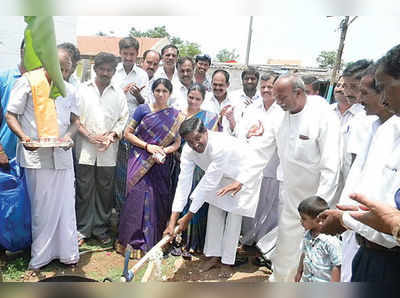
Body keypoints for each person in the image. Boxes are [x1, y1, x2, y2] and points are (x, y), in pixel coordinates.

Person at [224, 73, 340, 281]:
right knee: (286, 252)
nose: (277, 102)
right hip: (291, 201)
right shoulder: (279, 114)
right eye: (276, 97)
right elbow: (262, 152)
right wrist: (241, 180)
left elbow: (331, 167)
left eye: (282, 97)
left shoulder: (323, 115)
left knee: (313, 260)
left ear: (299, 93)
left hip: (317, 203)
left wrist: (320, 211)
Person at [319, 45, 400, 282]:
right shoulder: (388, 130)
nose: (383, 99)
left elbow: (389, 220)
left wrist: (347, 219)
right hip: (367, 253)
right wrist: (344, 218)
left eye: (384, 88)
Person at [5, 48, 81, 270]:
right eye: (60, 69)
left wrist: (68, 138)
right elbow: (11, 114)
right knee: (42, 208)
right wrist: (24, 137)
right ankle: (40, 256)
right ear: (47, 64)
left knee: (66, 205)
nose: (63, 74)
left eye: (66, 70)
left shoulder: (70, 89)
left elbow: (76, 121)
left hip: (63, 156)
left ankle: (67, 254)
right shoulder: (29, 82)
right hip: (37, 157)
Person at [165, 117, 264, 271]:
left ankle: (227, 261)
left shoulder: (219, 145)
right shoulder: (188, 151)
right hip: (218, 176)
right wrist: (172, 221)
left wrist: (188, 217)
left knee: (233, 217)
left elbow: (208, 183)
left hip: (241, 175)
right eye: (190, 142)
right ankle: (213, 256)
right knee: (214, 213)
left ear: (206, 132)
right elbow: (183, 184)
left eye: (198, 138)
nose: (195, 145)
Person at [117, 78, 185, 258]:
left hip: (160, 163)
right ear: (152, 92)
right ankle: (130, 243)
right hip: (140, 158)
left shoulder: (175, 115)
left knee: (157, 200)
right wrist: (148, 147)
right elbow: (127, 134)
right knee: (136, 199)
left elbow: (177, 142)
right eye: (158, 91)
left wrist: (164, 150)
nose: (161, 94)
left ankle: (153, 243)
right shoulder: (142, 110)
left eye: (165, 91)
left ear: (169, 94)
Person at [74, 52, 129, 246]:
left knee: (105, 191)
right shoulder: (82, 90)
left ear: (114, 71)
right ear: (95, 69)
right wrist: (90, 136)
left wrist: (112, 136)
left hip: (108, 151)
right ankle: (82, 229)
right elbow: (74, 119)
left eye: (109, 70)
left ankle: (101, 229)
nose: (105, 73)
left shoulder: (118, 93)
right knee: (84, 190)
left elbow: (124, 120)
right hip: (85, 150)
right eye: (102, 69)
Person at [165, 83, 218, 257]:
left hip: (201, 168)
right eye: (191, 97)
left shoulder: (208, 118)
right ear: (186, 96)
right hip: (181, 163)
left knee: (198, 202)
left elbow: (207, 143)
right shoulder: (179, 115)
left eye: (198, 98)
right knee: (181, 198)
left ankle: (195, 243)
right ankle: (179, 240)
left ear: (203, 100)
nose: (193, 101)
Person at [237, 74, 283, 260]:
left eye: (269, 87)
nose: (265, 90)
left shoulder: (281, 111)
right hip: (251, 166)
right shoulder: (252, 109)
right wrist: (248, 135)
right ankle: (248, 240)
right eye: (263, 87)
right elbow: (241, 132)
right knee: (251, 207)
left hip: (273, 167)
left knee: (270, 208)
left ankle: (264, 247)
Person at [112, 37, 149, 217]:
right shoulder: (113, 72)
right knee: (115, 175)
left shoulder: (142, 75)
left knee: (130, 173)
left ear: (137, 55)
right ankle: (117, 212)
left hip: (134, 132)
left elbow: (146, 104)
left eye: (132, 54)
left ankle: (129, 213)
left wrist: (138, 95)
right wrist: (122, 92)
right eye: (125, 54)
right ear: (120, 53)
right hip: (114, 130)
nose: (128, 57)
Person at [294, 197, 341, 282]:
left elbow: (337, 265)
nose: (300, 221)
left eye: (304, 218)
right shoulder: (307, 235)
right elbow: (304, 254)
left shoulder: (330, 240)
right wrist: (299, 272)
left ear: (318, 220)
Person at [0, 39, 25, 162]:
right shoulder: (4, 78)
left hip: (32, 157)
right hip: (5, 154)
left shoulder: (41, 82)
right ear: (22, 52)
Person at [228, 67, 262, 136]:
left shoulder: (262, 98)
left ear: (257, 80)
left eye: (252, 79)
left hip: (256, 139)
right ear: (242, 80)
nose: (249, 81)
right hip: (234, 138)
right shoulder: (232, 96)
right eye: (246, 79)